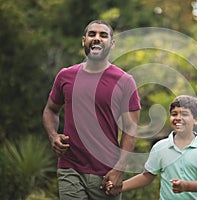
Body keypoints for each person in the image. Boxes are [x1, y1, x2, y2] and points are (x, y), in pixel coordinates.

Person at [42, 20, 141, 200]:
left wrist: (119, 169)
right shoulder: (66, 76)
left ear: (112, 43)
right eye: (92, 34)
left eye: (103, 35)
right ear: (83, 40)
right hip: (70, 167)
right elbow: (50, 109)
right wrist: (53, 136)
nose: (97, 38)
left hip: (106, 173)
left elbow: (131, 129)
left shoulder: (125, 81)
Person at [106, 95, 197, 200]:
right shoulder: (160, 147)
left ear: (196, 119)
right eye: (174, 114)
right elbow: (147, 176)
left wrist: (185, 186)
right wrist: (120, 187)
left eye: (184, 114)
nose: (178, 118)